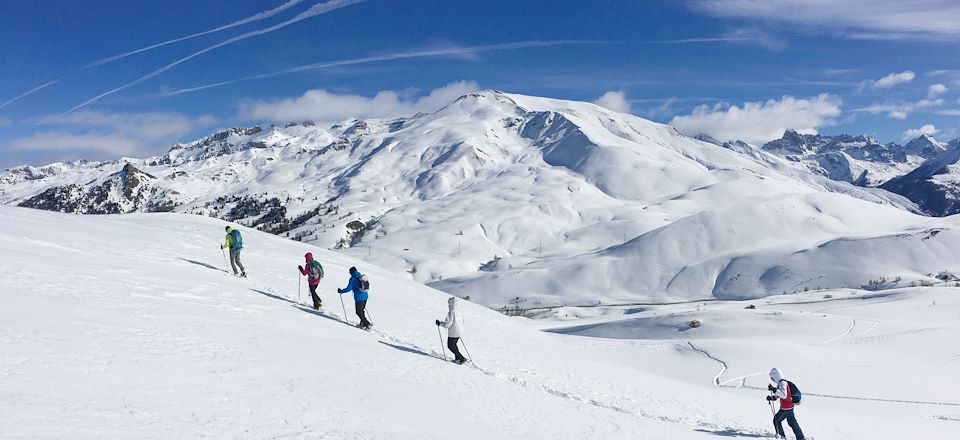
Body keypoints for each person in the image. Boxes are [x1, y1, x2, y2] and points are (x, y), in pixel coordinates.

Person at [766, 367, 805, 440]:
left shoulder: (782, 383)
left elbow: (784, 395)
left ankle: (782, 437)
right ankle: (801, 438)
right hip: (789, 406)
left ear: (776, 376)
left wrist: (774, 389)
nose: (772, 379)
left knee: (776, 420)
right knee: (792, 422)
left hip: (786, 408)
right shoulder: (782, 382)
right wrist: (772, 398)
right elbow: (781, 394)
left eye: (772, 377)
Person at [436, 297, 467, 364]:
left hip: (454, 332)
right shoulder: (459, 310)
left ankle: (461, 358)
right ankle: (458, 358)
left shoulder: (451, 312)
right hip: (460, 331)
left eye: (449, 303)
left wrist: (440, 323)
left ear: (451, 303)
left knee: (450, 346)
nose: (448, 304)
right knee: (454, 345)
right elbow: (463, 321)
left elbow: (447, 325)